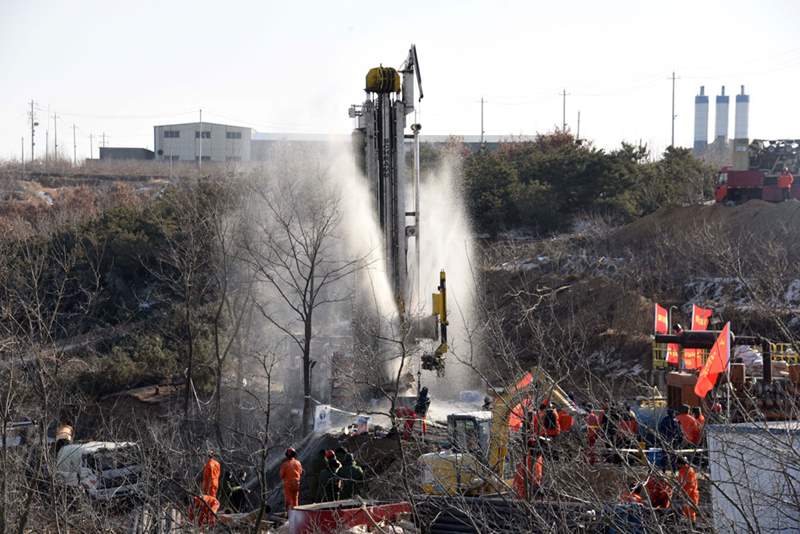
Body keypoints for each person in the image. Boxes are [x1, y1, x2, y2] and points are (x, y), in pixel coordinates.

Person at [676, 456, 699, 522]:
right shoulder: (682, 470)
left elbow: (690, 485)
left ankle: (693, 525)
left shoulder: (689, 471)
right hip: (685, 493)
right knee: (685, 510)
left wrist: (685, 495)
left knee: (691, 511)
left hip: (691, 494)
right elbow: (681, 482)